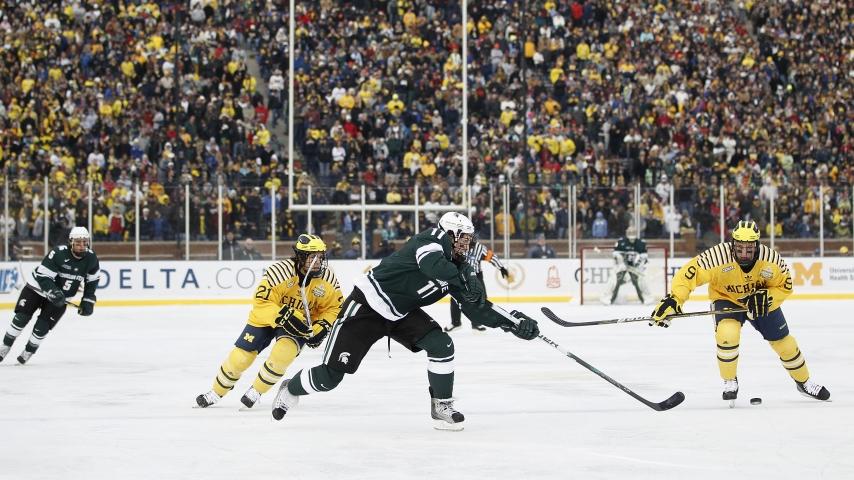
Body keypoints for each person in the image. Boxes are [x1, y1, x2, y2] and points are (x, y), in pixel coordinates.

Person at [270, 212, 540, 430]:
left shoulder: (457, 266)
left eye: (470, 239)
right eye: (464, 239)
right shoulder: (431, 239)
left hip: (401, 313)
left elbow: (478, 310)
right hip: (367, 306)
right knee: (330, 378)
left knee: (442, 345)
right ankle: (290, 388)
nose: (467, 245)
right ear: (450, 234)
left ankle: (441, 405)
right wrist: (464, 276)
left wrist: (513, 323)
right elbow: (432, 266)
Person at [650, 220, 831, 404]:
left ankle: (804, 382)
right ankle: (730, 380)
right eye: (739, 248)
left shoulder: (771, 260)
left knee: (786, 344)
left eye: (749, 249)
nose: (744, 254)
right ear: (733, 244)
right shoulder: (717, 256)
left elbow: (785, 286)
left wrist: (767, 296)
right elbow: (688, 274)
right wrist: (675, 299)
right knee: (727, 334)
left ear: (757, 246)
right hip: (726, 298)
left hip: (760, 301)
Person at [195, 234, 343, 409]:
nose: (318, 261)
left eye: (320, 256)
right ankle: (216, 392)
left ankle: (256, 391)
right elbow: (261, 301)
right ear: (301, 256)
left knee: (282, 355)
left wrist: (322, 326)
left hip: (298, 324)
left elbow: (334, 308)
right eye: (313, 256)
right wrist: (283, 315)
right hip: (267, 318)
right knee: (240, 358)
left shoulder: (328, 278)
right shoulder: (280, 271)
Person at [0, 227, 100, 364]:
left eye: (85, 242)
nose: (82, 245)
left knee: (42, 326)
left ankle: (29, 350)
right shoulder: (58, 253)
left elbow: (92, 281)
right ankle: (5, 346)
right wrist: (53, 291)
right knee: (21, 317)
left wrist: (88, 300)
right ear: (71, 242)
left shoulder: (91, 258)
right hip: (37, 289)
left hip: (61, 297)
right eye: (78, 242)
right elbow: (43, 276)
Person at [445, 240, 509, 332]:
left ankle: (476, 323)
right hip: (460, 275)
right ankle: (456, 323)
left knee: (481, 299)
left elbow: (491, 256)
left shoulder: (479, 247)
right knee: (456, 298)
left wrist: (501, 268)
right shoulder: (457, 246)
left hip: (476, 275)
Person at [600, 227, 651, 305]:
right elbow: (616, 255)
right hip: (622, 267)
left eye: (633, 232)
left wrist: (637, 265)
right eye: (630, 232)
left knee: (641, 280)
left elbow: (644, 257)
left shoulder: (641, 243)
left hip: (635, 268)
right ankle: (606, 298)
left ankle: (647, 298)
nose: (631, 234)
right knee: (613, 279)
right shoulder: (621, 242)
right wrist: (621, 263)